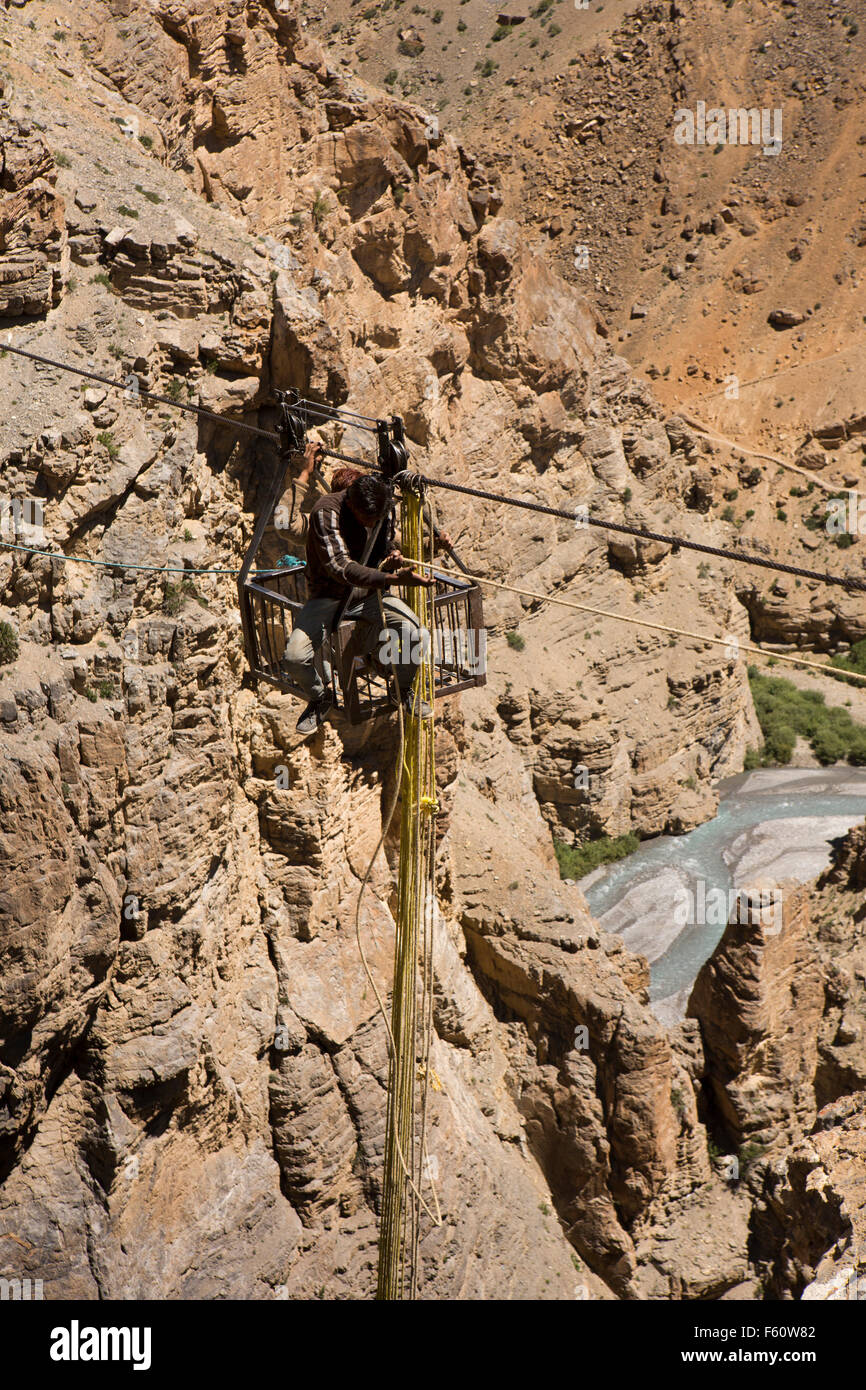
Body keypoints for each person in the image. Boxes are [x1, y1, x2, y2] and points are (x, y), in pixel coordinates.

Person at [283, 473, 436, 736]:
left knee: (417, 634)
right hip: (329, 597)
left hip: (368, 595)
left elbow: (381, 542)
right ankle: (321, 698)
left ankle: (403, 690)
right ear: (352, 506)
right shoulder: (325, 512)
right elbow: (340, 566)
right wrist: (390, 578)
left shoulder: (380, 510)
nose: (374, 523)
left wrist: (391, 555)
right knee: (295, 658)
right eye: (369, 519)